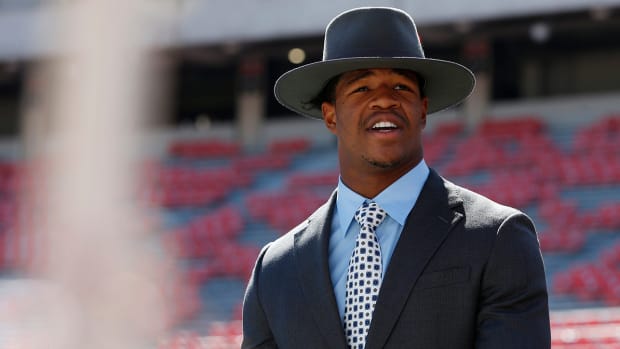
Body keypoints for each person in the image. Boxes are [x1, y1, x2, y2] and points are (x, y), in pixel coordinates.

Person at [242, 7, 550, 349]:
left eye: (402, 86)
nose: (385, 98)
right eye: (361, 88)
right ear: (330, 115)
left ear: (422, 109)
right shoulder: (275, 269)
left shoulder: (497, 238)